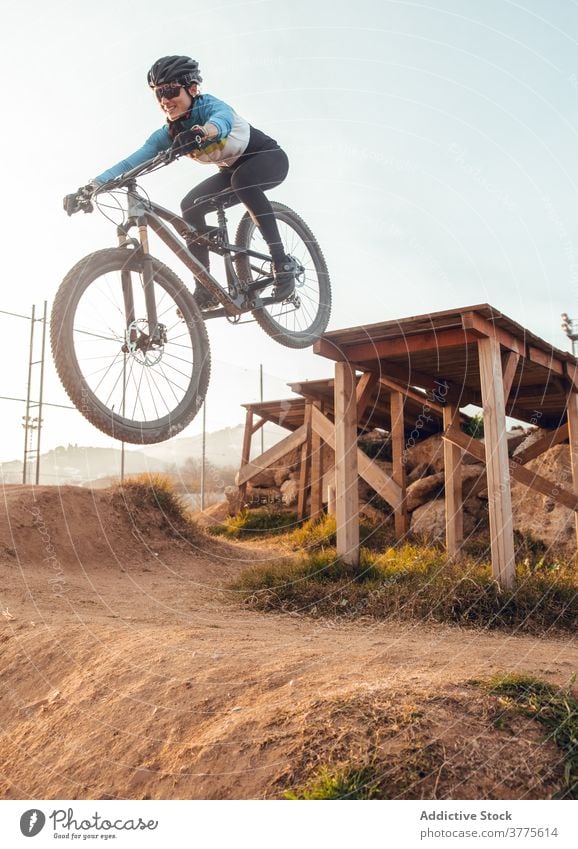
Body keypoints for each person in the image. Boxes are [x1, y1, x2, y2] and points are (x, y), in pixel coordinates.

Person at [64, 55, 297, 308]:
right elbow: (129, 163)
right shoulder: (168, 134)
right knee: (190, 206)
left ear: (193, 88)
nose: (165, 100)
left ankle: (281, 261)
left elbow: (222, 121)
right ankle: (206, 288)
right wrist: (91, 187)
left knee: (243, 180)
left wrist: (200, 132)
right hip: (231, 172)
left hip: (268, 158)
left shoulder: (209, 106)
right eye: (158, 94)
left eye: (170, 90)